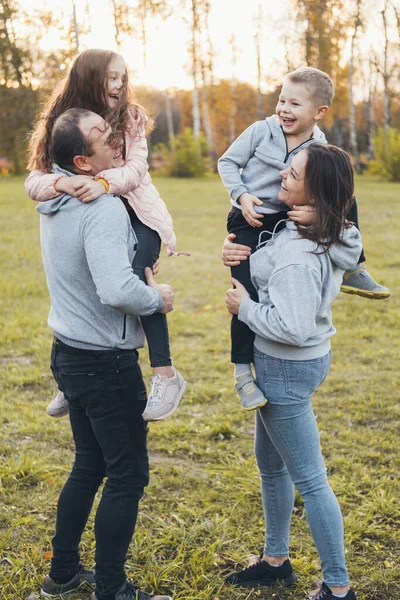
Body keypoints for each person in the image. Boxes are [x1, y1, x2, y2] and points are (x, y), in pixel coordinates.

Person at [36, 107, 173, 600]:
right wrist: (158, 298)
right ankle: (112, 589)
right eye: (99, 135)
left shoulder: (54, 200)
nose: (113, 137)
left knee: (88, 466)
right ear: (83, 160)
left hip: (69, 353)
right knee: (128, 474)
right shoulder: (102, 207)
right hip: (104, 361)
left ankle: (64, 575)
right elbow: (116, 289)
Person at [224, 143, 361, 600]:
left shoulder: (299, 255)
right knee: (271, 466)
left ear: (315, 189)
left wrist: (245, 308)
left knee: (311, 481)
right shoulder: (317, 228)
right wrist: (236, 252)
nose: (283, 172)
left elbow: (293, 327)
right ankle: (276, 560)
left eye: (294, 172)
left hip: (284, 366)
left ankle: (338, 588)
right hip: (297, 365)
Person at [25, 48, 186, 422]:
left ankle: (165, 373)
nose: (119, 84)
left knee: (139, 281)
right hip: (92, 215)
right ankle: (70, 379)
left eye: (122, 77)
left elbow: (136, 170)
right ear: (87, 80)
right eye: (110, 77)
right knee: (78, 281)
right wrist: (65, 182)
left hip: (136, 212)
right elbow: (34, 180)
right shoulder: (62, 123)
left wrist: (101, 182)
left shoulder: (129, 117)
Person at [218, 66, 390, 411]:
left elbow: (327, 189)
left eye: (294, 104)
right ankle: (242, 373)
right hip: (251, 217)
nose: (283, 109)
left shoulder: (319, 146)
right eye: (281, 100)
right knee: (244, 295)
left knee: (343, 188)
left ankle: (356, 267)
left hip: (289, 214)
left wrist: (320, 214)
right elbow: (227, 162)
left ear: (318, 113)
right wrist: (241, 195)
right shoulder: (261, 131)